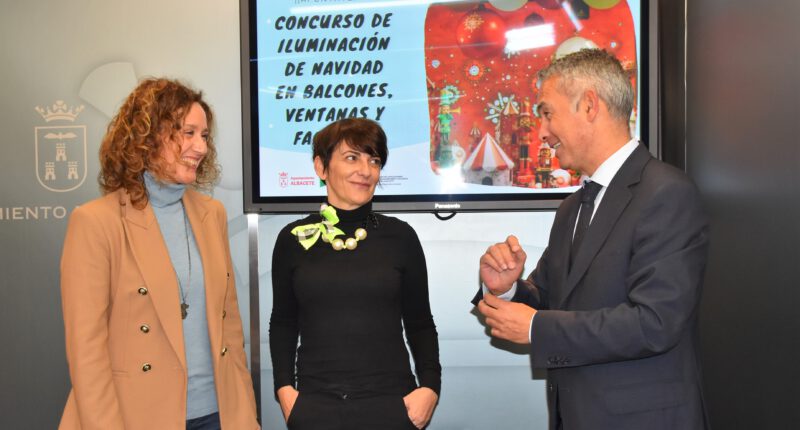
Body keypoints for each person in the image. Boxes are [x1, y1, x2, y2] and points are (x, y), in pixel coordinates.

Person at [475, 49, 710, 430]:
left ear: (588, 105)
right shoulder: (573, 206)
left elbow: (654, 323)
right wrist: (507, 289)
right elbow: (550, 299)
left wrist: (538, 328)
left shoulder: (667, 193)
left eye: (547, 113)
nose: (542, 132)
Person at [59, 78, 259, 429]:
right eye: (187, 133)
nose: (200, 147)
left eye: (204, 136)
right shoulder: (96, 222)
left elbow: (229, 329)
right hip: (136, 417)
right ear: (146, 137)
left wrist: (245, 416)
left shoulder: (211, 214)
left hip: (217, 414)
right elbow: (86, 353)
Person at [270, 118, 441, 430]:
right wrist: (284, 390)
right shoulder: (293, 238)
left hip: (392, 406)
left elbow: (420, 323)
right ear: (321, 167)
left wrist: (429, 388)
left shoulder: (401, 237)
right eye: (352, 158)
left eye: (373, 160)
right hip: (314, 408)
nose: (366, 170)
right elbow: (283, 323)